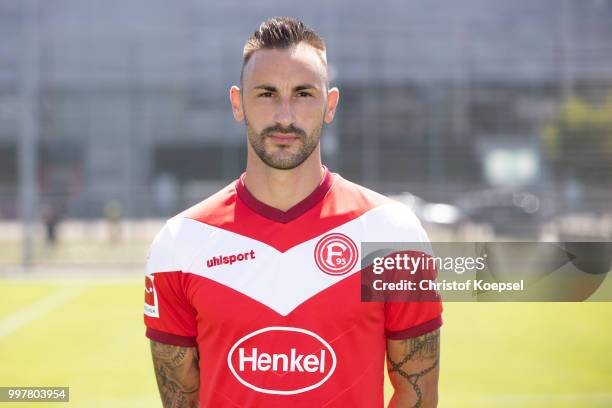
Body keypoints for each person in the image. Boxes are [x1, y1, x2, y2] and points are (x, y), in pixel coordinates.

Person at [144, 17, 442, 407]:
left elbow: (416, 394)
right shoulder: (180, 243)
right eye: (267, 94)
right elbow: (181, 401)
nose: (284, 116)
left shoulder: (392, 235)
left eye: (303, 94)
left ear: (329, 105)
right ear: (238, 104)